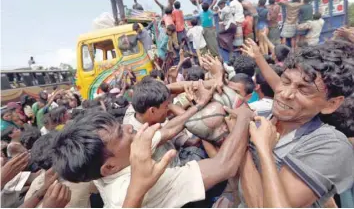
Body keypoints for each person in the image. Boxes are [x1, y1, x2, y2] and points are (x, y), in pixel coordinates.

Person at [51, 79, 254, 208]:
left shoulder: (112, 159)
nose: (129, 128)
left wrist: (199, 106)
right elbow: (224, 166)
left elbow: (165, 132)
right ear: (110, 167)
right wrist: (244, 117)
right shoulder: (140, 186)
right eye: (121, 133)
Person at [240, 38, 354, 207]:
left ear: (331, 104)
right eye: (285, 81)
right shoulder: (268, 116)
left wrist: (253, 147)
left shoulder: (331, 145)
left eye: (304, 90)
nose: (285, 93)